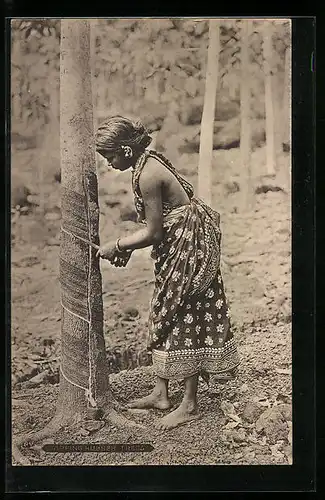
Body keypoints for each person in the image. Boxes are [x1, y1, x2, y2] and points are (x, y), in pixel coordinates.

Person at [95, 115, 240, 430]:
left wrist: (118, 245)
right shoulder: (146, 164)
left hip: (188, 254)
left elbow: (154, 233)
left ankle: (189, 404)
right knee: (164, 309)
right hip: (176, 251)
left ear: (126, 150)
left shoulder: (149, 174)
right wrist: (127, 248)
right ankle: (161, 393)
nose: (108, 163)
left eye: (110, 156)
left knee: (182, 314)